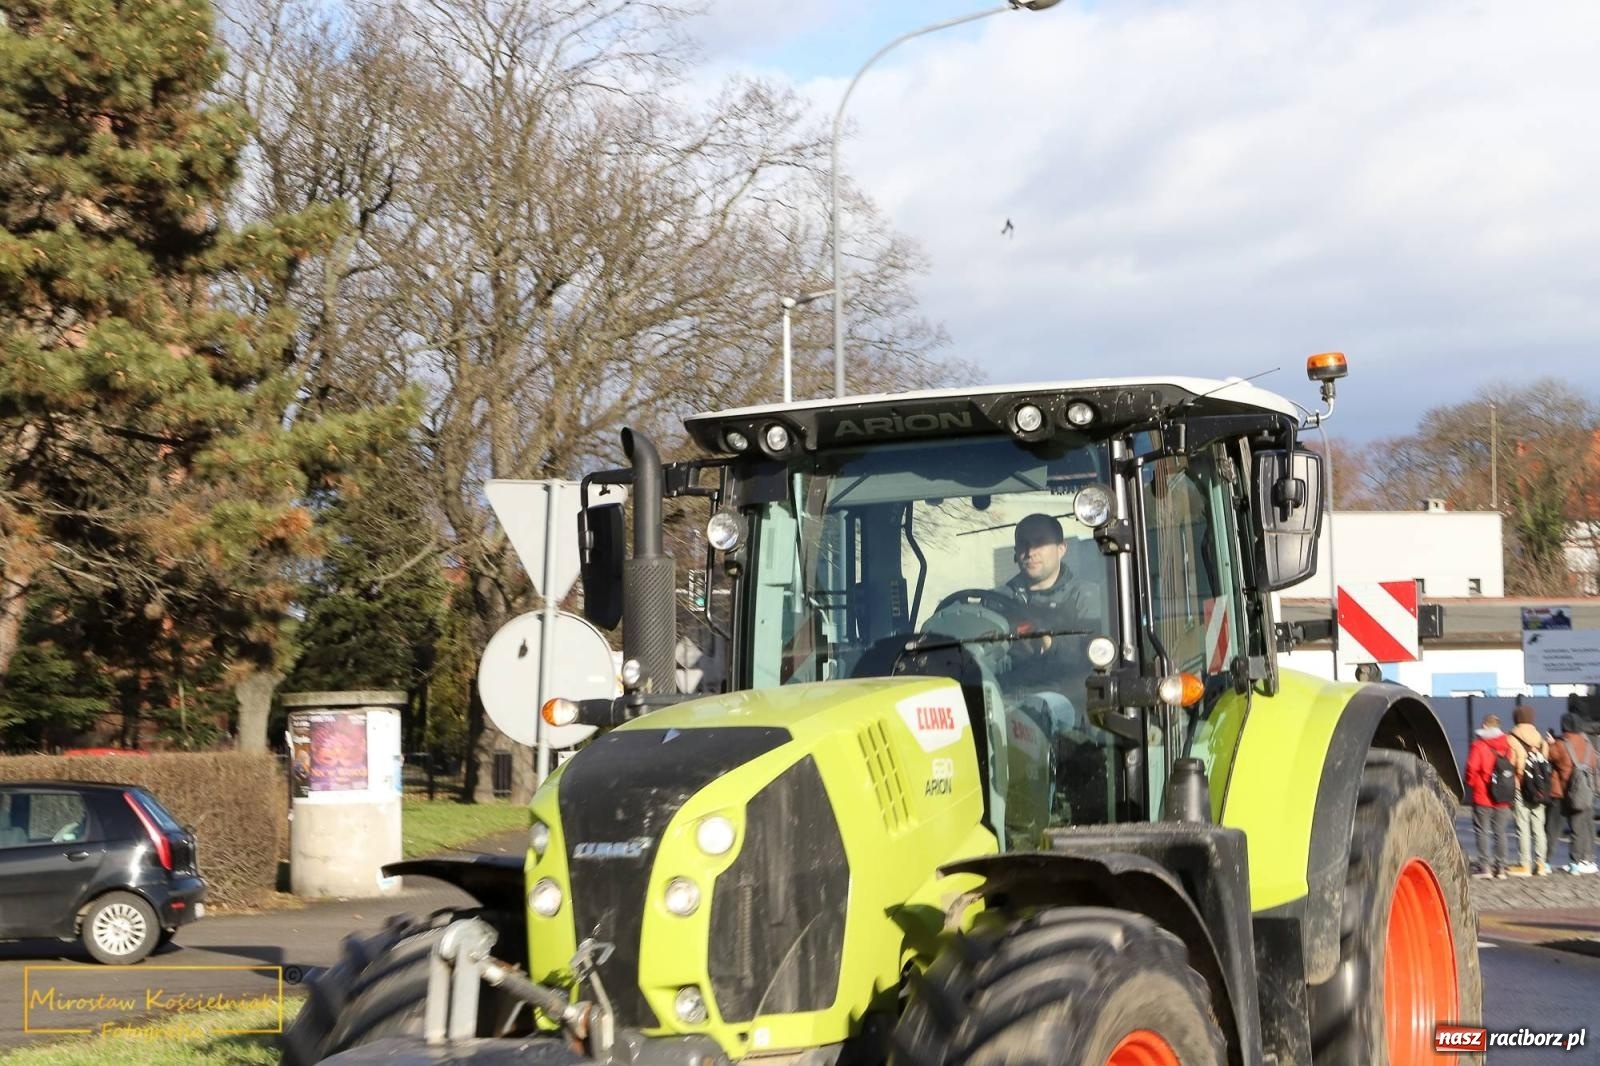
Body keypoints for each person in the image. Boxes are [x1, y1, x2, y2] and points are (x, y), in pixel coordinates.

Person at [1001, 513, 1092, 687]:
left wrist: (1049, 642)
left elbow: (1095, 655)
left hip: (1069, 699)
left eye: (1040, 542)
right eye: (1023, 544)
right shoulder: (997, 600)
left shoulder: (1084, 597)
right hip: (1004, 697)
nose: (1030, 552)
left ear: (1061, 549)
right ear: (1015, 552)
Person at [1548, 711, 1599, 875]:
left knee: (1552, 828)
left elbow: (1549, 756)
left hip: (1561, 792)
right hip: (1585, 791)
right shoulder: (1588, 743)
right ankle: (1582, 861)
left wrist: (1550, 742)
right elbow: (1593, 764)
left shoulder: (1560, 744)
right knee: (1582, 827)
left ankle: (1546, 861)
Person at [1464, 713, 1514, 878]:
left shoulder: (1479, 745)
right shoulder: (1507, 745)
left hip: (1483, 794)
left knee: (1482, 831)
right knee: (1501, 832)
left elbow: (1472, 768)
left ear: (1485, 726)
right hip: (1503, 795)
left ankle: (1485, 867)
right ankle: (1501, 868)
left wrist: (1470, 784)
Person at [1506, 704, 1549, 876]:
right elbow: (1544, 764)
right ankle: (1541, 864)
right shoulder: (1541, 740)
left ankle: (1524, 864)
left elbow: (1514, 764)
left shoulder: (1511, 739)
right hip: (1539, 789)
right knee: (1539, 826)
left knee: (1522, 826)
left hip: (1520, 785)